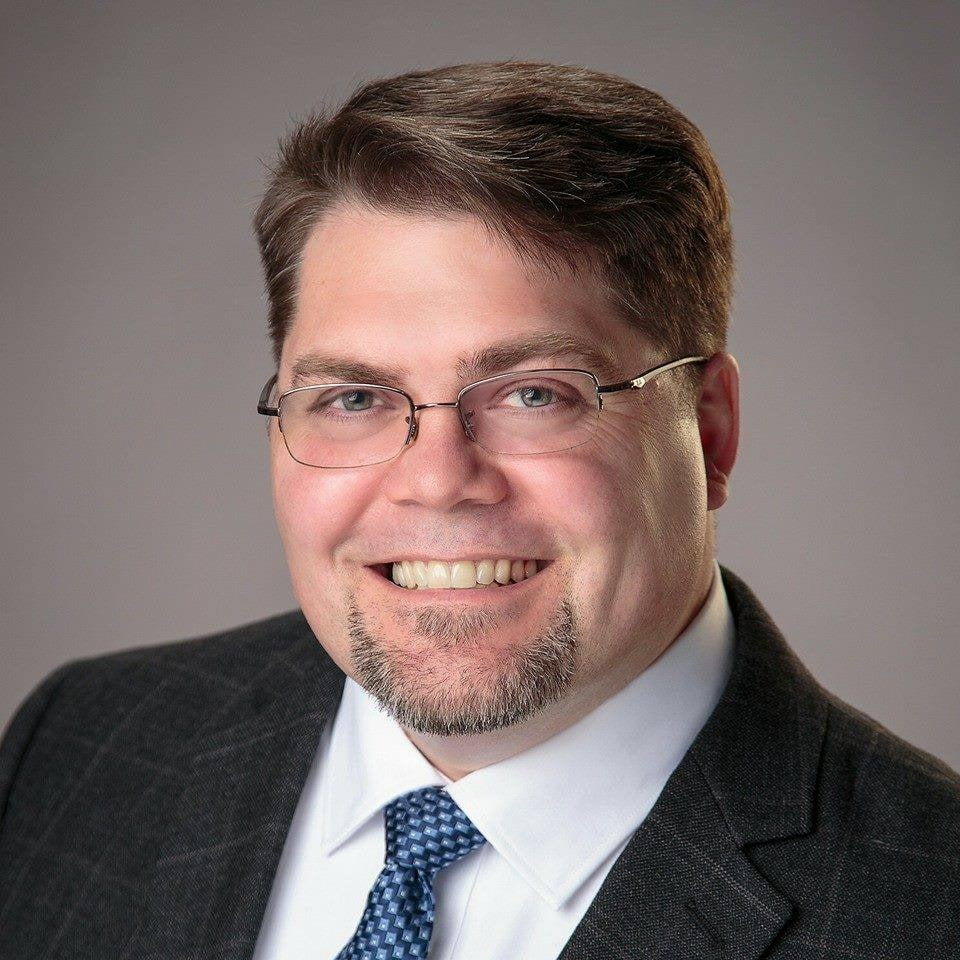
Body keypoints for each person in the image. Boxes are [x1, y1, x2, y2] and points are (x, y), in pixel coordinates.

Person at [1, 60, 957, 960]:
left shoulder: (925, 906)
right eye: (354, 399)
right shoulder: (82, 750)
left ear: (708, 431)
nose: (437, 480)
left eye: (534, 393)